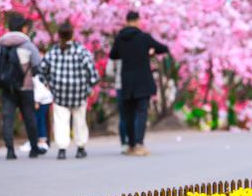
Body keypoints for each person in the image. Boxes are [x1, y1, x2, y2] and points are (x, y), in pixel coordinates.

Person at [109, 11, 169, 156]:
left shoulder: (120, 38)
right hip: (142, 80)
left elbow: (113, 55)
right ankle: (139, 144)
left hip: (127, 81)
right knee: (141, 112)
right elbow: (163, 48)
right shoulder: (144, 37)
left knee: (128, 114)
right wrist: (150, 51)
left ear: (126, 21)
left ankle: (130, 145)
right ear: (137, 21)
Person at [41, 22, 99, 160]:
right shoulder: (81, 51)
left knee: (61, 121)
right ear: (72, 35)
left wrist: (49, 84)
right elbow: (93, 73)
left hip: (60, 92)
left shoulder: (53, 52)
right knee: (80, 121)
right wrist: (89, 87)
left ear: (59, 35)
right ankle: (80, 148)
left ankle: (62, 149)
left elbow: (42, 70)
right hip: (79, 92)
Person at [0, 14, 42, 159]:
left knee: (8, 118)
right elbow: (38, 65)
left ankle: (10, 150)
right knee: (29, 117)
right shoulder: (28, 45)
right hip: (26, 87)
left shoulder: (1, 45)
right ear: (23, 28)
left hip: (7, 87)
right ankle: (34, 148)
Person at [19, 70, 53, 154]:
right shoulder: (38, 72)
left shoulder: (36, 74)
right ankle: (38, 141)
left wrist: (36, 101)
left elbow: (40, 88)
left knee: (39, 121)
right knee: (39, 121)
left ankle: (41, 142)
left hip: (42, 100)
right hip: (44, 99)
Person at [106, 58, 134, 154]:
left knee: (123, 116)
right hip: (133, 85)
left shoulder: (116, 50)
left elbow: (109, 71)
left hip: (120, 85)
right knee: (133, 114)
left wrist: (117, 75)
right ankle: (133, 142)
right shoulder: (132, 48)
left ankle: (124, 143)